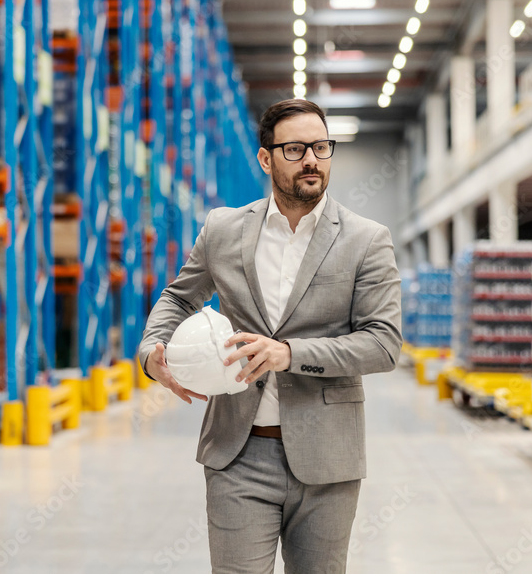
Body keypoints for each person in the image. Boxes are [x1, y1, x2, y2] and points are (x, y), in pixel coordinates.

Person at [138, 98, 402, 574]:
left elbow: (383, 343)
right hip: (238, 451)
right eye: (296, 149)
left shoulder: (366, 239)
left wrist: (288, 353)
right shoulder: (223, 229)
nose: (311, 161)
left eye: (321, 148)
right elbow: (179, 298)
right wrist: (151, 351)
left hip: (328, 460)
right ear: (266, 158)